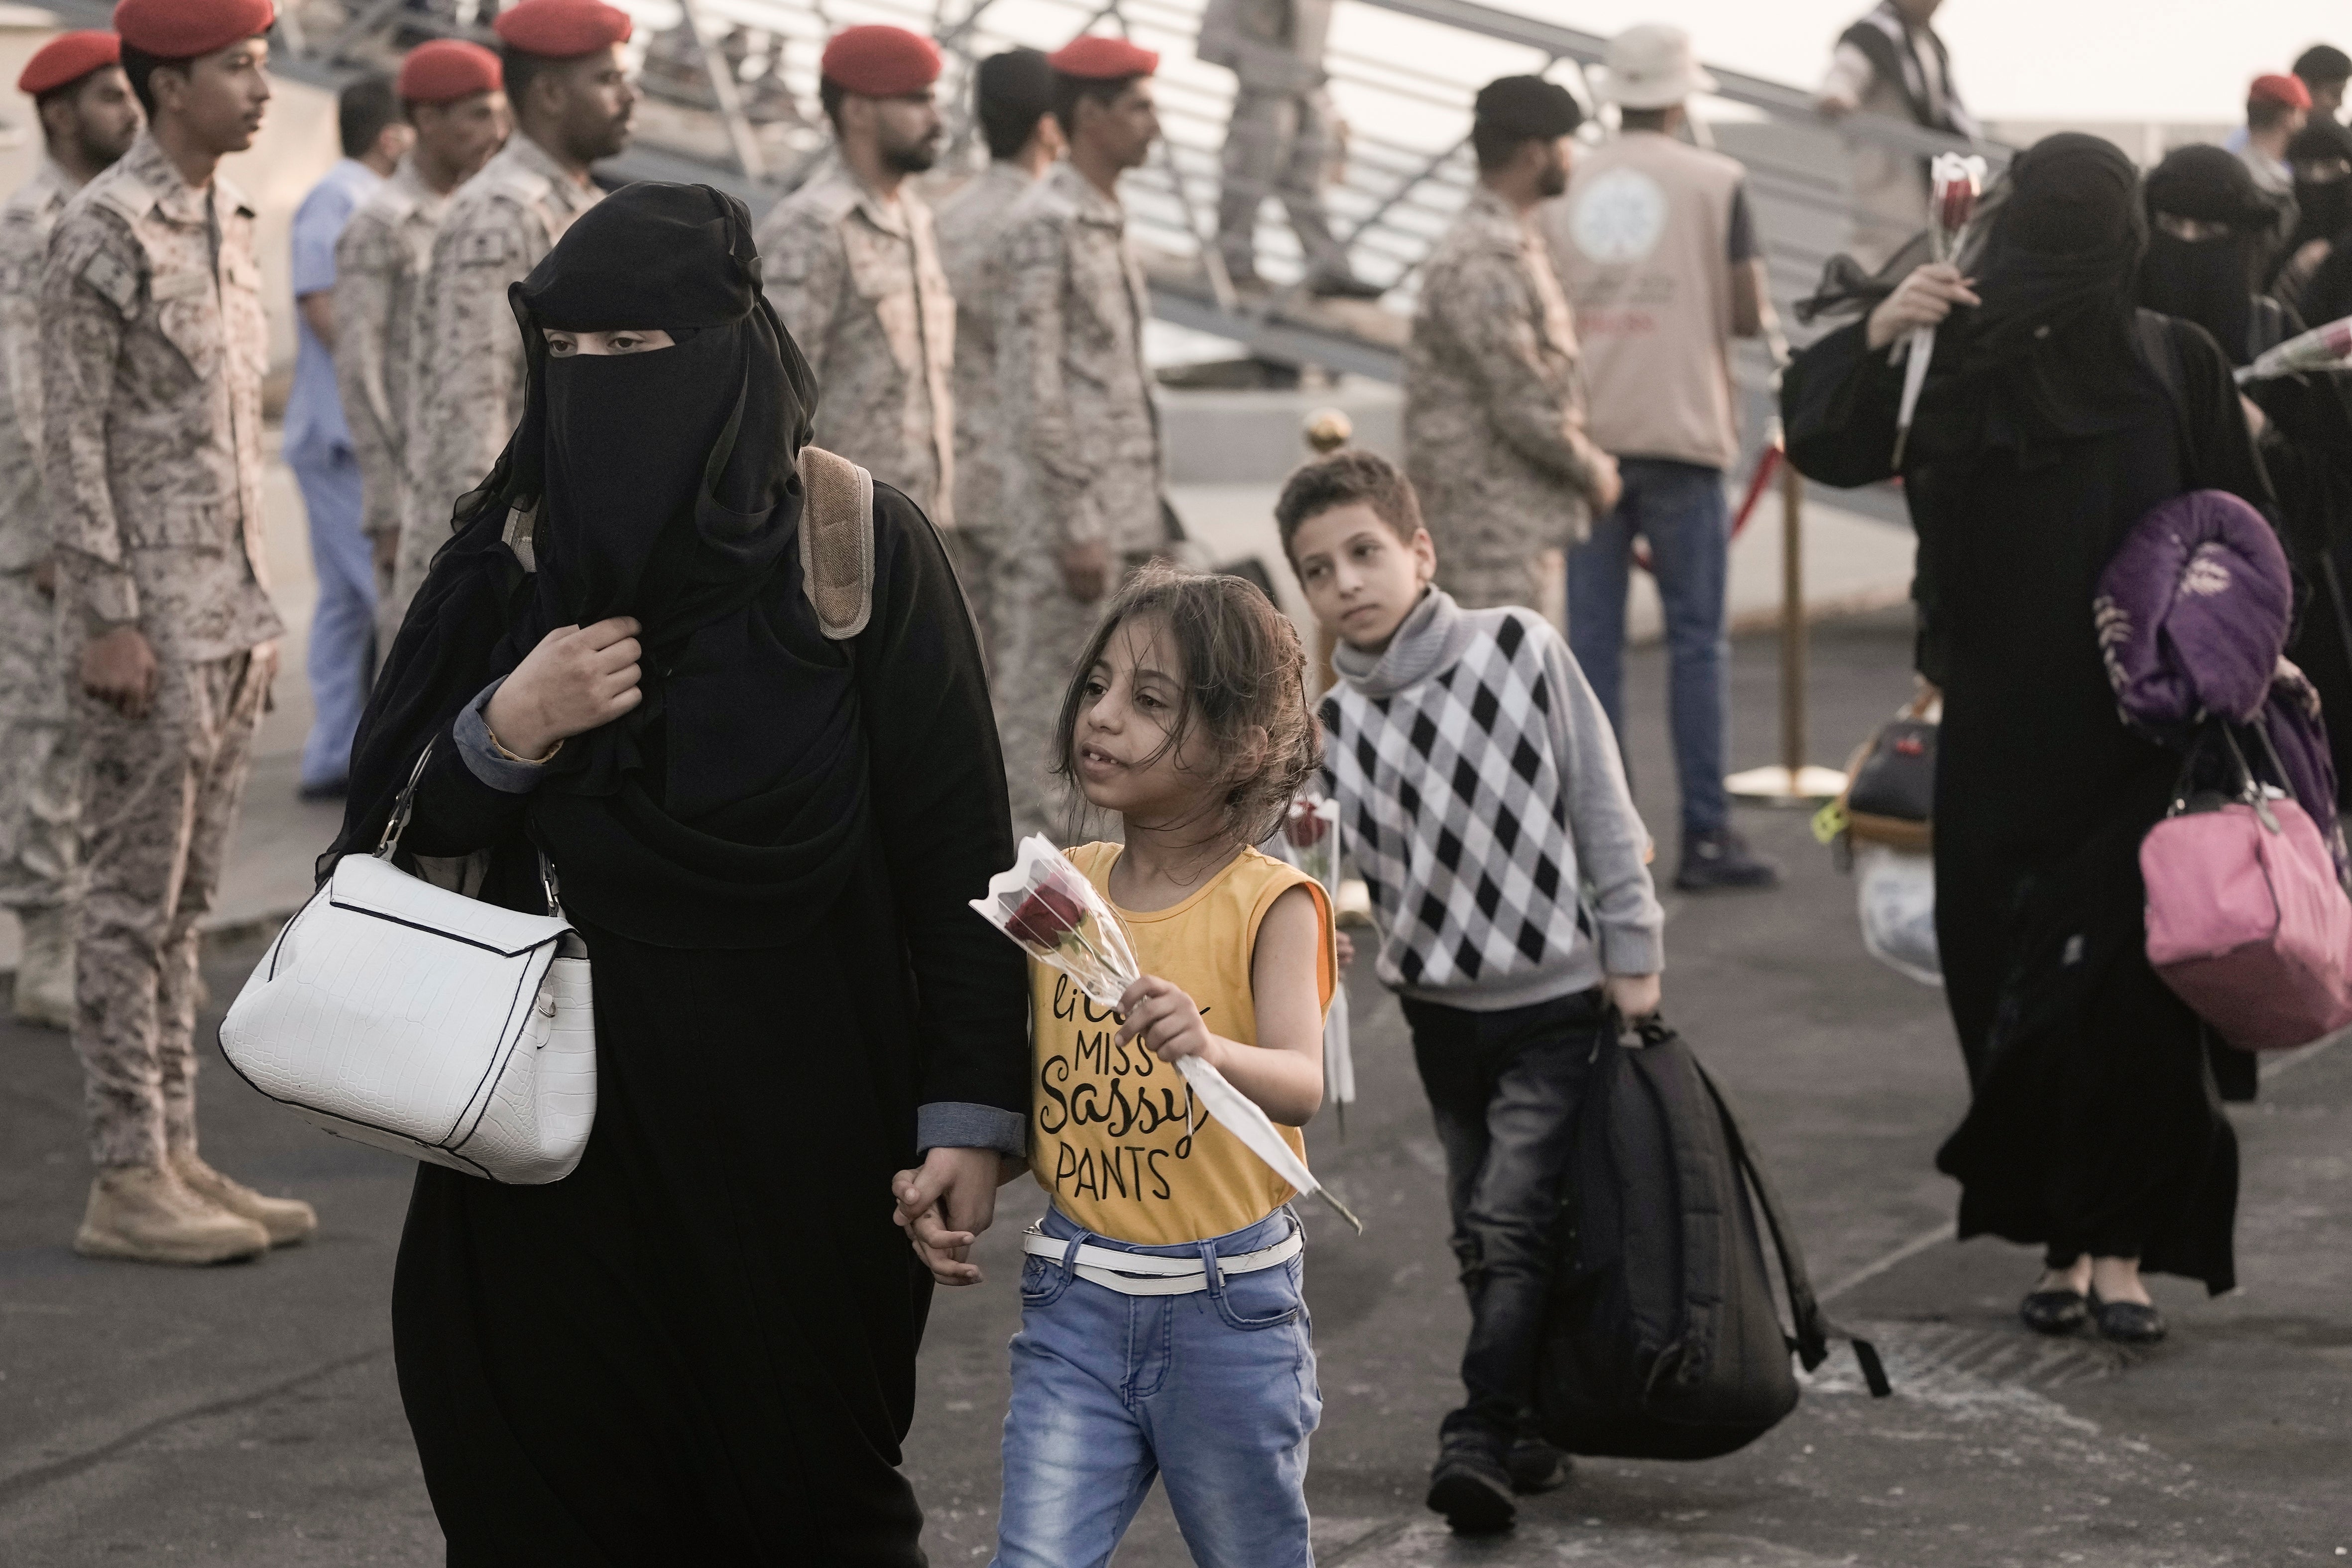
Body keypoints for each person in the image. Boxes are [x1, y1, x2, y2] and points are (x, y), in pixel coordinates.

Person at [330, 182, 1028, 1563]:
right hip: (543, 1157)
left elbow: (958, 851)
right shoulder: (511, 559)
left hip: (806, 1148)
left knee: (807, 1502)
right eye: (565, 357)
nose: (593, 390)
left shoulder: (856, 551)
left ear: (723, 347)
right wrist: (506, 727)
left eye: (632, 356)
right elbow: (377, 848)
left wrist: (968, 1111)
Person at [1781, 134, 2271, 1343]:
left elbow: (2237, 533)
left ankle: (2120, 1253)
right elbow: (1827, 444)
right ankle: (2067, 1243)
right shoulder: (1950, 354)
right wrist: (1881, 328)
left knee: (2128, 998)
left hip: (2131, 742)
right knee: (2017, 995)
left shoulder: (2176, 360)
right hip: (2010, 733)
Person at [1274, 448, 1661, 1534]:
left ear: (1419, 552)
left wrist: (1633, 958)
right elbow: (1313, 879)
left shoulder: (1518, 649)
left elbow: (1601, 805)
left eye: (1364, 553)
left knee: (1509, 1216)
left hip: (1557, 1002)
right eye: (1316, 570)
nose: (1345, 582)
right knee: (1483, 1227)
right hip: (1441, 1017)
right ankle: (1533, 1414)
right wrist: (1313, 916)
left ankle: (1481, 1430)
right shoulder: (1331, 732)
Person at [919, 563, 1329, 1568]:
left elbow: (1299, 1082)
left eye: (1150, 702)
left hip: (1229, 1309)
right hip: (1075, 1301)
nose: (1101, 718)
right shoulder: (1066, 890)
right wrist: (966, 1163)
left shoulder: (1270, 901)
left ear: (1244, 744)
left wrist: (1207, 1044)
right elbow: (1057, 1090)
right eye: (1097, 686)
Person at [44, 0, 314, 1264]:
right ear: (162, 84)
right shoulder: (100, 230)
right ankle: (121, 1175)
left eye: (263, 67)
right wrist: (106, 618)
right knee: (123, 907)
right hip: (146, 632)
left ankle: (173, 1150)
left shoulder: (222, 217)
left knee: (183, 912)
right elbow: (71, 440)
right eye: (236, 68)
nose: (258, 90)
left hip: (227, 620)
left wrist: (253, 623)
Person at [1548, 24, 1779, 892]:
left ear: (1613, 93)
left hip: (1586, 438)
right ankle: (1706, 835)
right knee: (1695, 643)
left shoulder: (1563, 178)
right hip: (1681, 432)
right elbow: (1747, 312)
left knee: (1593, 649)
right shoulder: (1718, 180)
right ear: (1681, 95)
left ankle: (1608, 845)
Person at [395, 0, 634, 626]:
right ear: (551, 95)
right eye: (607, 81)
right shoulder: (501, 214)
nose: (629, 97)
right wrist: (489, 575)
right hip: (503, 566)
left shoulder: (581, 206)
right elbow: (467, 411)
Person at [2138, 144, 2352, 827]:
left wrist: (2261, 434)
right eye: (2173, 229)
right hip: (2147, 612)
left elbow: (2330, 477)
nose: (2191, 248)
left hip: (2270, 614)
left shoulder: (2272, 332)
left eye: (2211, 234)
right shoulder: (2131, 330)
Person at [992, 34, 1170, 844]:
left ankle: (1094, 924)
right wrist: (1075, 520)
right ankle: (1030, 931)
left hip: (1122, 514)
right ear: (1089, 115)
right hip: (1072, 531)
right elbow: (1033, 386)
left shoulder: (1100, 214)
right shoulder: (1045, 222)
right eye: (1138, 107)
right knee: (1045, 726)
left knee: (1109, 719)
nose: (1154, 125)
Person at [0, 31, 139, 1030]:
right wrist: (55, 534)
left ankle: (90, 931)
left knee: (103, 742)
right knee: (45, 737)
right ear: (58, 114)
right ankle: (47, 943)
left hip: (126, 532)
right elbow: (25, 396)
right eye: (108, 96)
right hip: (45, 544)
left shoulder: (124, 214)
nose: (131, 109)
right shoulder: (30, 226)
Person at [1405, 75, 1619, 614]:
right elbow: (1521, 399)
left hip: (1504, 520)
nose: (1570, 158)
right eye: (1564, 145)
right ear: (1533, 154)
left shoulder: (1508, 241)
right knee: (1497, 689)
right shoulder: (1482, 258)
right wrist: (1593, 471)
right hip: (1485, 536)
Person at [334, 40, 507, 654]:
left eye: (498, 113)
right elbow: (358, 369)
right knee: (415, 661)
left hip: (481, 480)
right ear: (426, 121)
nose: (496, 131)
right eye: (477, 115)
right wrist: (385, 508)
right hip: (416, 488)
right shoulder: (380, 226)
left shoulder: (482, 213)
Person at [757, 25, 955, 525]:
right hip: (839, 535)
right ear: (858, 111)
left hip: (913, 519)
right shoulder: (812, 228)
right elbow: (772, 407)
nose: (937, 118)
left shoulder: (914, 218)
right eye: (917, 101)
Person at [285, 74, 408, 801]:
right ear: (393, 137)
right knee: (383, 595)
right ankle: (385, 760)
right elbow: (322, 304)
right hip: (340, 438)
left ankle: (334, 753)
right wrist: (383, 386)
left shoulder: (361, 196)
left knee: (344, 604)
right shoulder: (340, 197)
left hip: (342, 435)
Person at [934, 46, 1061, 650]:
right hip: (1024, 493)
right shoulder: (1041, 223)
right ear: (1048, 126)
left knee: (965, 661)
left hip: (954, 478)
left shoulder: (946, 217)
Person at [1198, 0, 1379, 298]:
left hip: (1304, 84)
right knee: (1249, 174)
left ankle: (1329, 271)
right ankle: (1231, 265)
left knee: (1303, 182)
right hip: (1266, 82)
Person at [1814, 0, 1976, 269]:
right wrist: (1836, 95)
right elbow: (1844, 75)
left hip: (1927, 187)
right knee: (1882, 263)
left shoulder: (1929, 44)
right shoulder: (1874, 34)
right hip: (1888, 181)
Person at [2236, 74, 2309, 203]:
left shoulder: (2236, 165)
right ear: (2288, 115)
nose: (2305, 121)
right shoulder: (2275, 180)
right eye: (2302, 112)